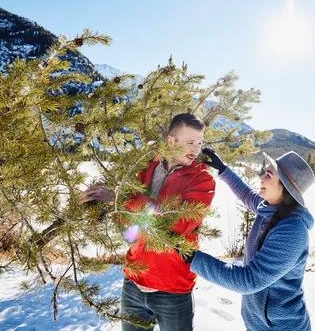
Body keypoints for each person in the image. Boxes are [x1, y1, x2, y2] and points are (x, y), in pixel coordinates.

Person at [79, 113, 216, 331]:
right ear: (171, 141)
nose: (195, 150)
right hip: (133, 283)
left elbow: (175, 224)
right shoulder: (144, 168)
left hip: (173, 289)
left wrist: (121, 198)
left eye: (199, 143)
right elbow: (127, 219)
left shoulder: (202, 180)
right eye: (190, 142)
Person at [182, 147, 315, 331]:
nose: (261, 177)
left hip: (282, 327)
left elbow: (248, 280)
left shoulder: (292, 231)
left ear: (285, 188)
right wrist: (222, 169)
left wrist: (193, 258)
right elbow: (247, 195)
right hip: (257, 324)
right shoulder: (269, 208)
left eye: (268, 175)